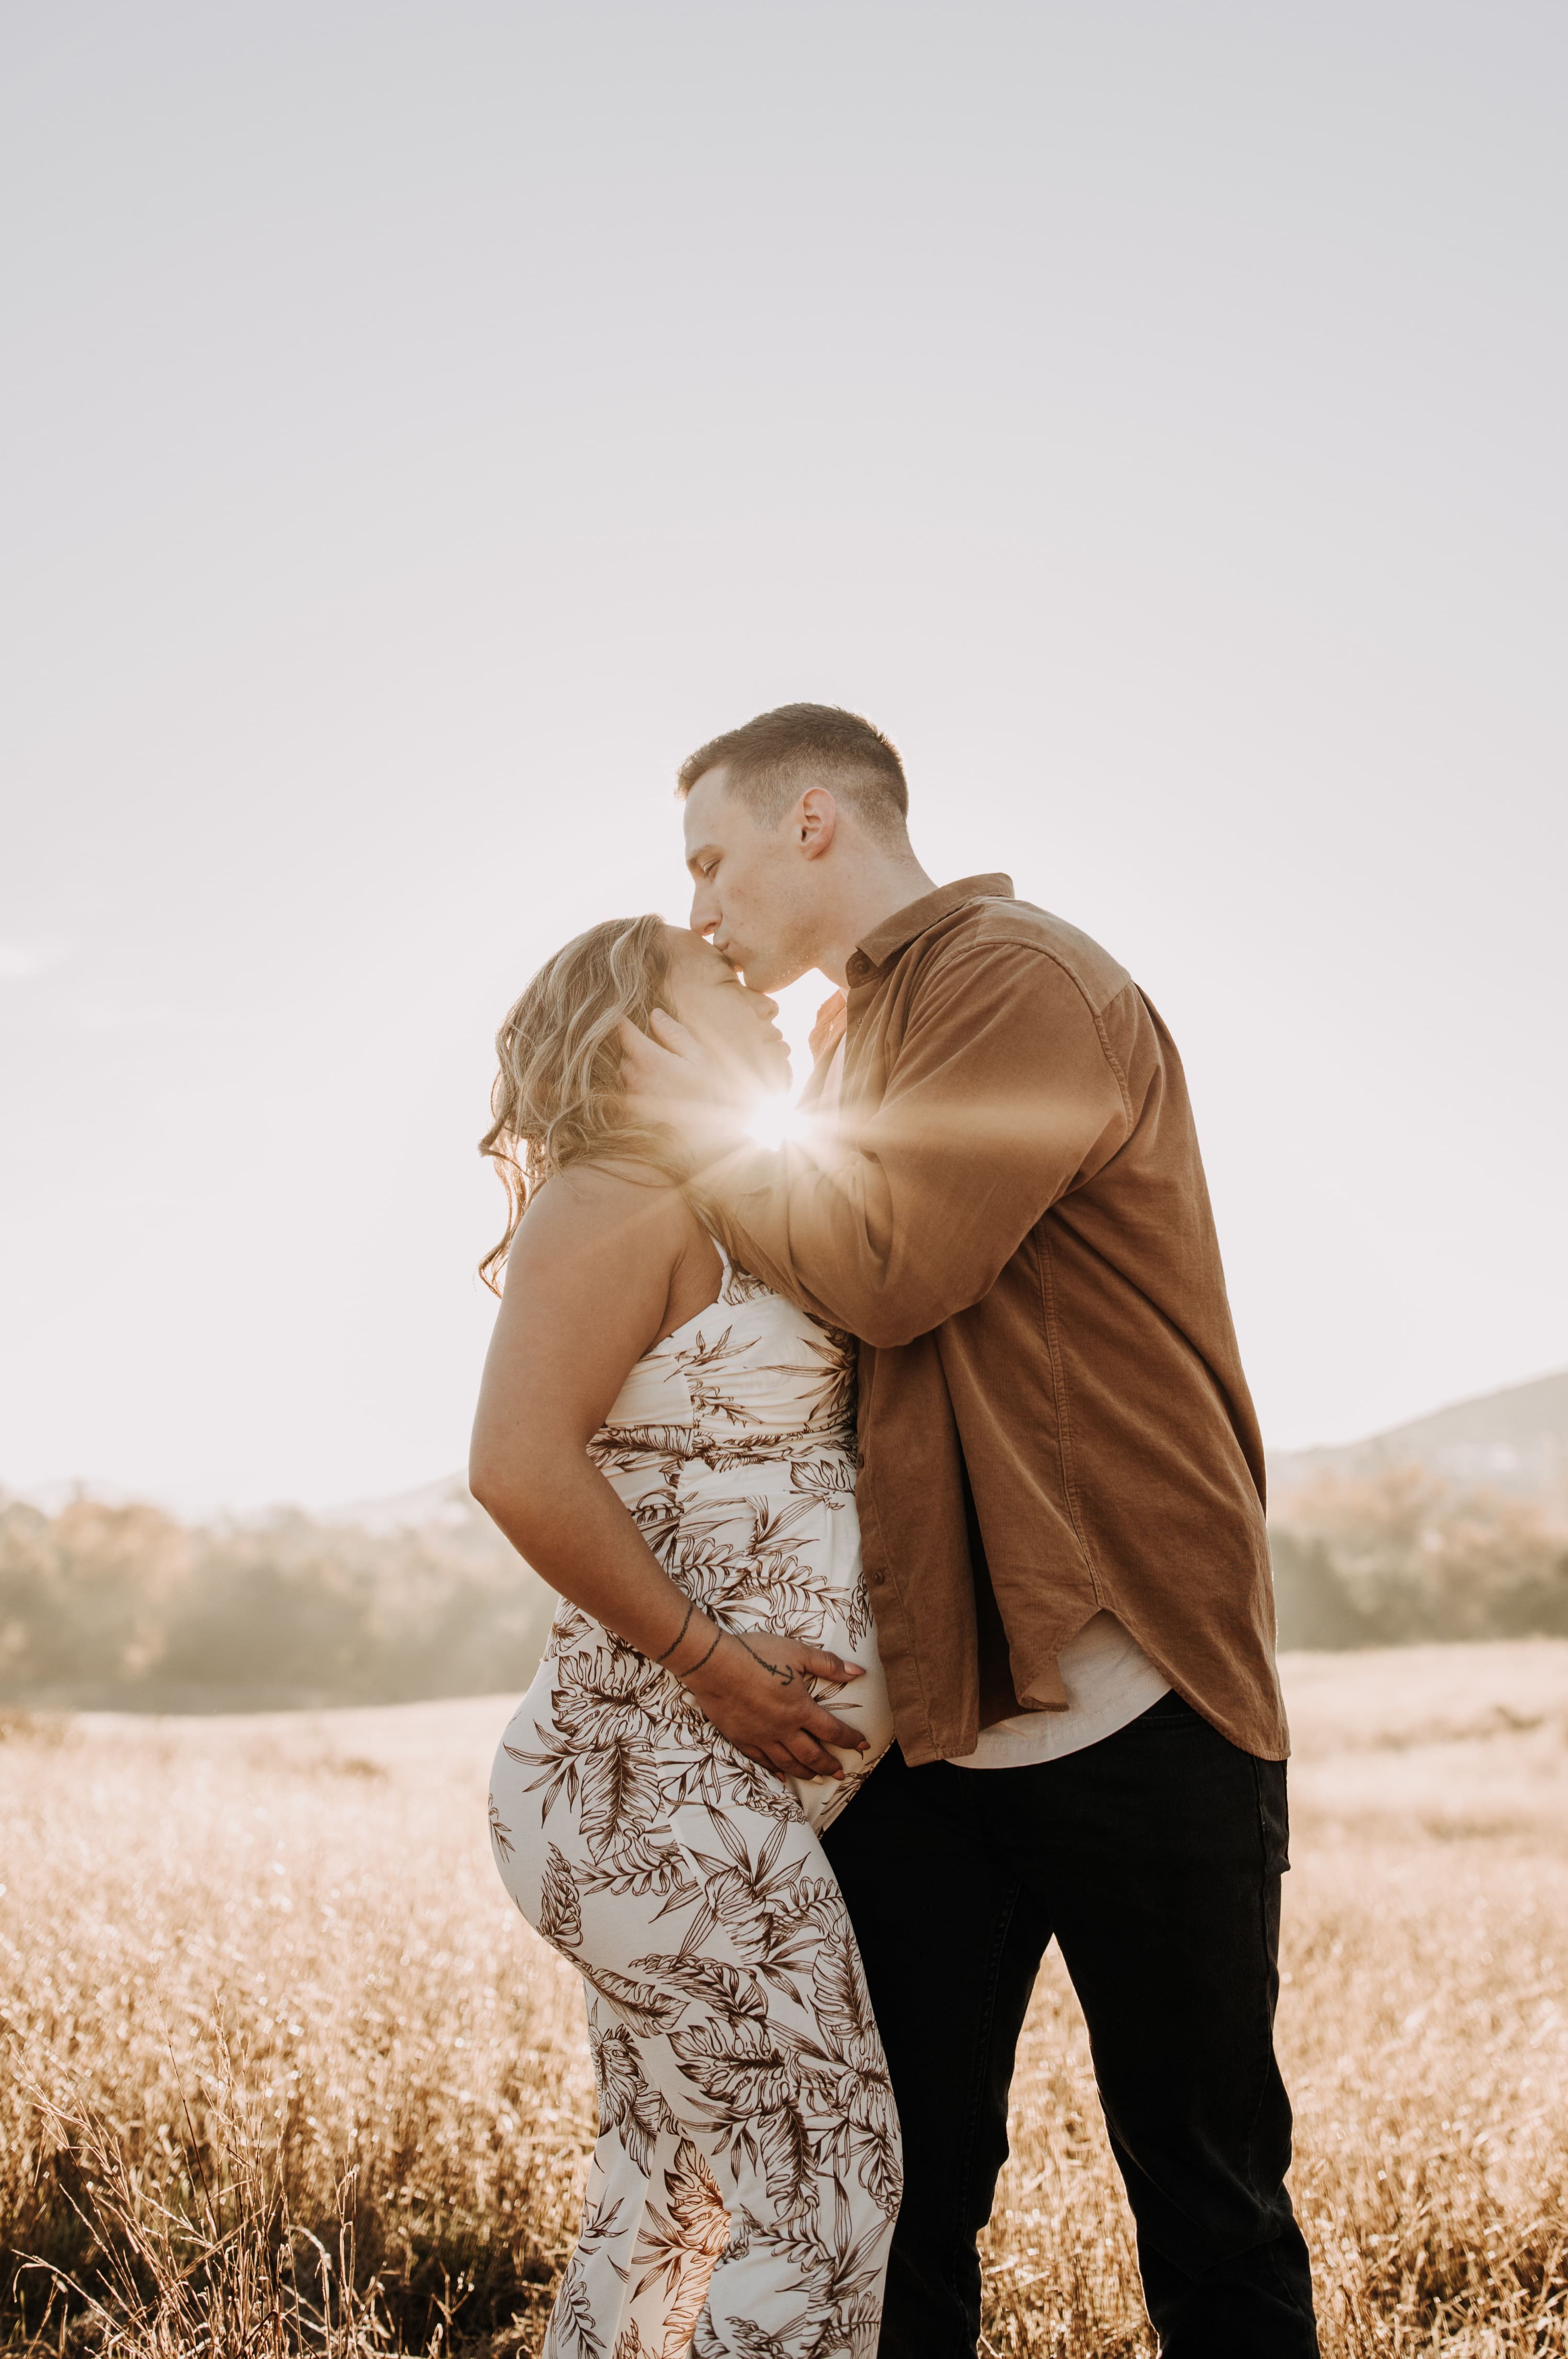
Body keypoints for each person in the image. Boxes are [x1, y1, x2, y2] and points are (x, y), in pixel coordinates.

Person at [621, 702, 1319, 2359]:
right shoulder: (854, 1043)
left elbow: (895, 1267)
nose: (699, 905)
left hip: (1138, 1692)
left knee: (1206, 2197)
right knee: (897, 2205)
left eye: (710, 858)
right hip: (934, 1719)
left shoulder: (1019, 978)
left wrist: (709, 1116)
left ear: (814, 822)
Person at [470, 913, 900, 2359]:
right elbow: (520, 1464)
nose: (762, 984)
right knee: (831, 2197)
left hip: (711, 1795)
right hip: (642, 1780)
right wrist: (715, 1662)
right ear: (634, 1021)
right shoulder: (609, 1201)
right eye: (717, 974)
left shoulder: (723, 1194)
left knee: (661, 2188)